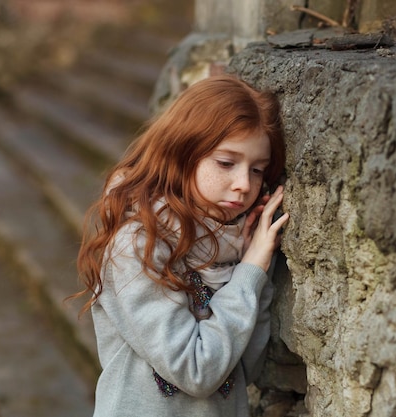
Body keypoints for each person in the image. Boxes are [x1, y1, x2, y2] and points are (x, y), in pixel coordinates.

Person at [74, 75, 289, 417]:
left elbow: (248, 366)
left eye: (258, 170)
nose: (243, 184)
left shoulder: (235, 246)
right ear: (183, 152)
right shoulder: (138, 244)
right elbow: (197, 371)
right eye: (226, 163)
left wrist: (253, 267)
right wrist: (249, 274)